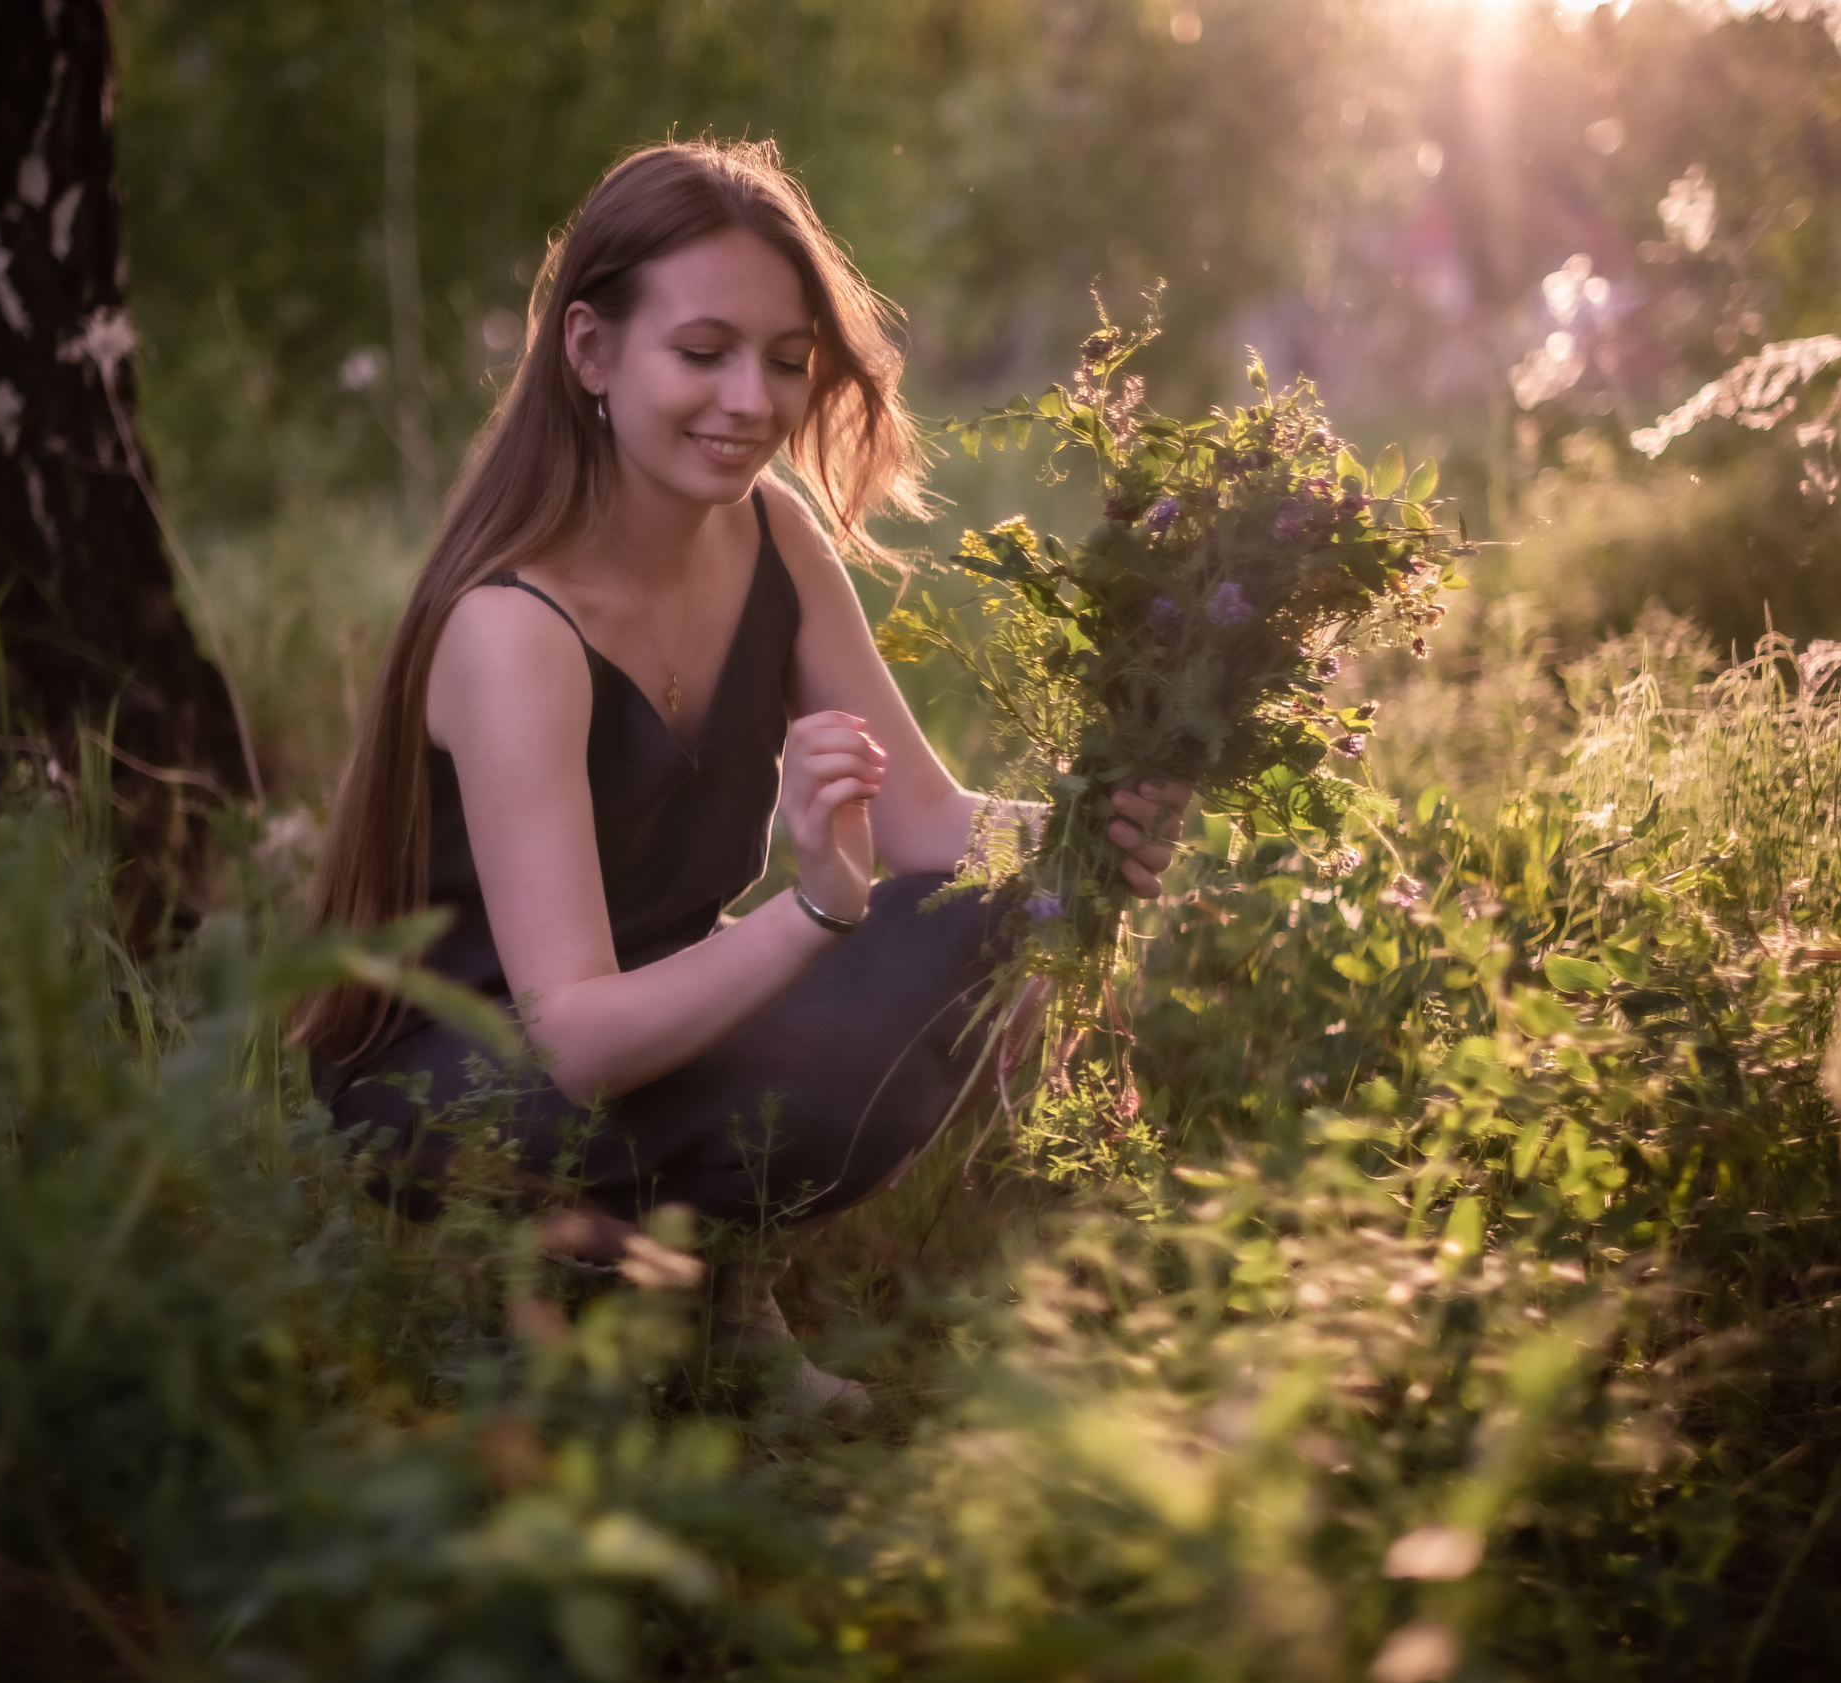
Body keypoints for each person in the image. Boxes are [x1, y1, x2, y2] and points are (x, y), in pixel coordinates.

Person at [296, 140, 1186, 1411]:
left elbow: (933, 826)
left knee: (986, 913)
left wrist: (1091, 827)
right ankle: (522, 1297)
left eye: (783, 358)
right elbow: (570, 1038)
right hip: (466, 1078)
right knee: (814, 1071)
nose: (750, 400)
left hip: (641, 1014)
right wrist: (815, 908)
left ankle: (711, 1290)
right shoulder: (513, 631)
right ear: (593, 353)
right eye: (702, 351)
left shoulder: (773, 529)